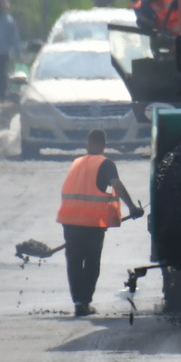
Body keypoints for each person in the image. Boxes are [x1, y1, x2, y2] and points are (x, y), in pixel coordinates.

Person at [56, 129, 142, 317]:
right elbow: (116, 185)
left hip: (69, 220)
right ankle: (85, 302)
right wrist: (132, 208)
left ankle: (78, 302)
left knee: (74, 262)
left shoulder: (76, 163)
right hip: (92, 223)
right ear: (104, 145)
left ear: (87, 143)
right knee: (92, 263)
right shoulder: (105, 164)